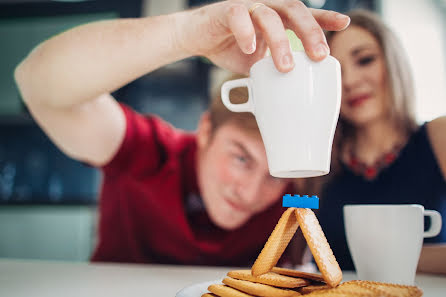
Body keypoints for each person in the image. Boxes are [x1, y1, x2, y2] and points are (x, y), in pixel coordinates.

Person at [13, 1, 350, 266]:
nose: (250, 192)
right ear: (205, 130)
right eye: (241, 158)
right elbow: (35, 81)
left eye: (272, 176)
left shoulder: (288, 200)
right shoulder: (148, 150)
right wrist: (184, 34)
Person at [310, 9, 446, 274]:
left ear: (393, 61)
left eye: (365, 60)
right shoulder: (317, 162)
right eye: (334, 73)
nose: (349, 81)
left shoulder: (439, 135)